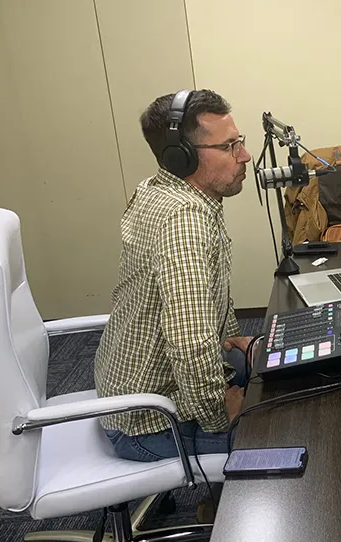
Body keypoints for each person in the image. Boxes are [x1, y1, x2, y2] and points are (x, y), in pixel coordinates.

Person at [95, 89, 254, 461]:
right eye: (229, 147)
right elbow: (190, 344)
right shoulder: (182, 219)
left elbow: (211, 295)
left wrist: (232, 340)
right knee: (285, 436)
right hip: (146, 421)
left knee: (285, 366)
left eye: (240, 142)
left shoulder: (167, 191)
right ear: (180, 157)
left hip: (141, 388)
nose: (245, 156)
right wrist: (222, 417)